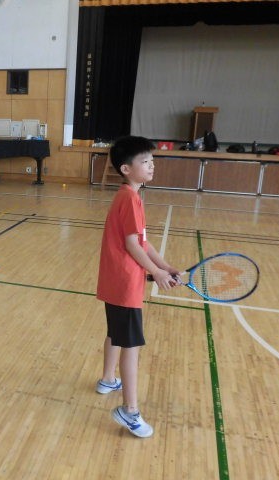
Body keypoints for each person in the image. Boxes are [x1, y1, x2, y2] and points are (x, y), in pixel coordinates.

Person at [96, 135, 180, 438]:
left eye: (152, 160)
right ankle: (129, 410)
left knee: (116, 332)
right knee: (131, 346)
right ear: (126, 169)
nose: (151, 166)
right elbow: (133, 245)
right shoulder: (130, 199)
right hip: (125, 284)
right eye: (145, 162)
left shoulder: (128, 195)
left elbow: (142, 241)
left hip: (115, 281)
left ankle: (108, 379)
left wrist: (164, 266)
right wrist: (155, 272)